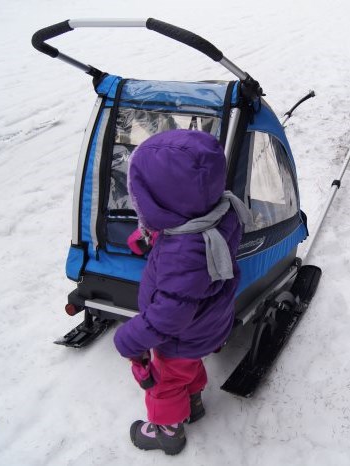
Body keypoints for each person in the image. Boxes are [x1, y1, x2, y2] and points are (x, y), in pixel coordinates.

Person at [113, 129, 249, 456]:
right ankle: (194, 403)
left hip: (180, 335)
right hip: (208, 324)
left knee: (165, 381)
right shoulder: (219, 212)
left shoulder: (183, 255)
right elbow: (186, 240)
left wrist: (129, 338)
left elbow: (168, 316)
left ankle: (167, 431)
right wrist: (153, 236)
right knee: (188, 366)